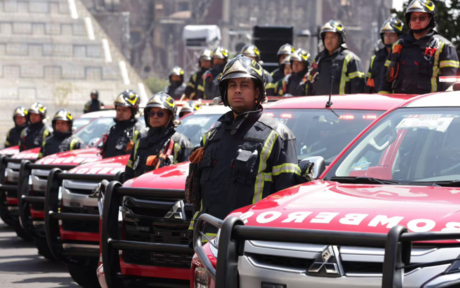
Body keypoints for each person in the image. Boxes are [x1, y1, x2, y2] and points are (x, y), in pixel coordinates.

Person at [186, 55, 306, 235]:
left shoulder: (278, 135)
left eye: (244, 85)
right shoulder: (212, 135)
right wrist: (193, 231)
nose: (237, 90)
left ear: (258, 92)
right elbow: (199, 195)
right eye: (232, 85)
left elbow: (286, 202)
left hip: (248, 243)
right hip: (206, 243)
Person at [379, 0, 459, 94]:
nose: (417, 21)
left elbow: (450, 86)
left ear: (430, 19)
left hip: (428, 106)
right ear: (409, 20)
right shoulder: (397, 46)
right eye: (413, 18)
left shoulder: (444, 47)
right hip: (399, 105)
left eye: (422, 18)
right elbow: (385, 82)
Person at [124, 92, 193, 182]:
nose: (155, 117)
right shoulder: (139, 143)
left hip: (167, 194)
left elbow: (188, 179)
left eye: (160, 113)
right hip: (139, 194)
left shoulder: (182, 143)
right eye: (152, 114)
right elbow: (128, 175)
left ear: (170, 116)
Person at [306, 20, 365, 95]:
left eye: (333, 37)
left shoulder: (352, 59)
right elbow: (309, 86)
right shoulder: (318, 59)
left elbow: (358, 91)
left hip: (341, 106)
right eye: (326, 37)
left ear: (341, 38)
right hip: (319, 106)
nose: (328, 41)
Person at [101, 90, 145, 159]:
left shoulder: (141, 130)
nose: (120, 113)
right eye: (118, 110)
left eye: (124, 110)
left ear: (133, 111)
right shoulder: (113, 130)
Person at [365, 17, 404, 93]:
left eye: (392, 35)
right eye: (385, 35)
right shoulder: (375, 58)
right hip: (379, 100)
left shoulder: (404, 55)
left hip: (398, 99)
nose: (388, 38)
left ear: (399, 36)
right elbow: (369, 84)